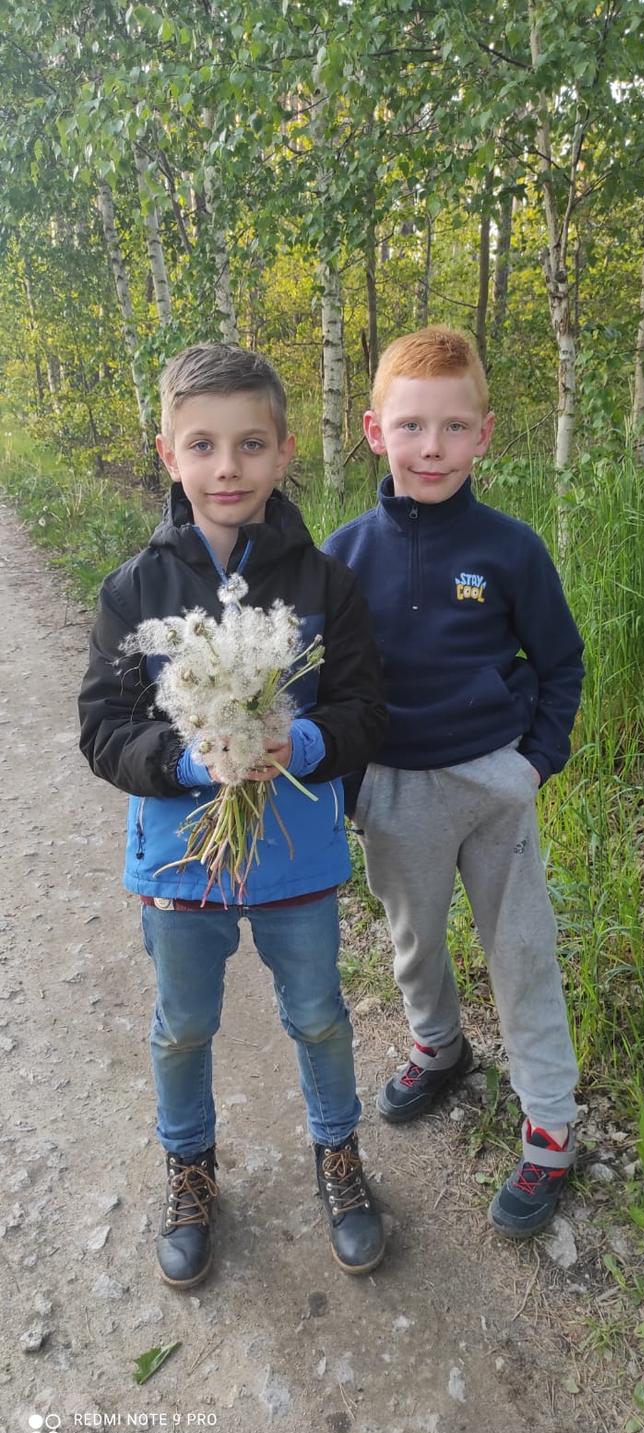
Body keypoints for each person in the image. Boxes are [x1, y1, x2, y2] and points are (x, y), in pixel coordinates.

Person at [79, 342, 387, 1288]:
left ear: (284, 452)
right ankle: (190, 1167)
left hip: (296, 859)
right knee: (182, 1026)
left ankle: (338, 1154)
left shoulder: (326, 584)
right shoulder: (135, 591)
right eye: (203, 445)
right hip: (180, 863)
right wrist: (180, 758)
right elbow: (101, 726)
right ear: (168, 453)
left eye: (250, 445)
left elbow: (365, 711)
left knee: (320, 1014)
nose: (227, 468)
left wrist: (297, 747)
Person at [323, 325, 584, 1240]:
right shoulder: (342, 555)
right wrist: (352, 788)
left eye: (453, 427)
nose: (431, 448)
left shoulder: (511, 549)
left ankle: (551, 1122)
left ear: (485, 433)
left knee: (522, 950)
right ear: (373, 430)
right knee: (412, 940)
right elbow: (327, 683)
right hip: (392, 788)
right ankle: (439, 1047)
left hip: (492, 784)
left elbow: (561, 662)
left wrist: (531, 762)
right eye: (411, 426)